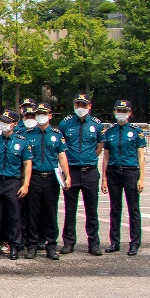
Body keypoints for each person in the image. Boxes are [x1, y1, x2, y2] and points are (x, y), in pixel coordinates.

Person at [58, 93, 105, 256]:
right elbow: (61, 147)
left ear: (89, 106)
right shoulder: (65, 124)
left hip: (89, 171)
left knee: (92, 209)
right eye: (78, 105)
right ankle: (68, 242)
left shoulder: (97, 125)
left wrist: (89, 157)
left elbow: (99, 146)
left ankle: (94, 243)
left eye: (83, 105)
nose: (80, 108)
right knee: (70, 210)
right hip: (71, 171)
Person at [24, 103, 71, 260]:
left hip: (51, 177)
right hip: (34, 177)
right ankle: (32, 245)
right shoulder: (28, 135)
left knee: (50, 212)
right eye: (38, 114)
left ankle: (51, 245)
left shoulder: (57, 135)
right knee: (32, 213)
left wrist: (68, 176)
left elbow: (62, 156)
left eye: (44, 113)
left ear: (50, 115)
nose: (41, 116)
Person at [0, 110, 32, 260]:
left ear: (15, 124)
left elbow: (27, 164)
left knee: (14, 215)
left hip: (13, 181)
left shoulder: (22, 141)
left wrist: (26, 185)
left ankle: (14, 246)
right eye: (3, 121)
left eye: (8, 122)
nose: (5, 124)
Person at [102, 100, 146, 256]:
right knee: (115, 209)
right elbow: (106, 157)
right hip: (114, 171)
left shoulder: (136, 131)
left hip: (130, 171)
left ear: (130, 113)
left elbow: (141, 156)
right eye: (118, 110)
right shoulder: (110, 131)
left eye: (124, 110)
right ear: (114, 112)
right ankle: (115, 242)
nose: (121, 113)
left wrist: (141, 178)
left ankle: (134, 243)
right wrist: (104, 179)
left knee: (133, 209)